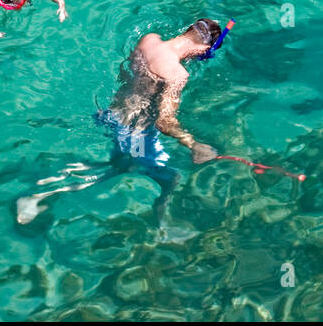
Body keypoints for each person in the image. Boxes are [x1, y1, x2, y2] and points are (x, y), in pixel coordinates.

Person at [15, 18, 228, 227]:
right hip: (134, 131)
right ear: (204, 49)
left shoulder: (150, 40)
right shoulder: (176, 74)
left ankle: (43, 190)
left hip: (110, 113)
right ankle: (38, 196)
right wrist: (193, 144)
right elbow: (164, 122)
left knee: (119, 165)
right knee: (171, 178)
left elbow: (124, 72)